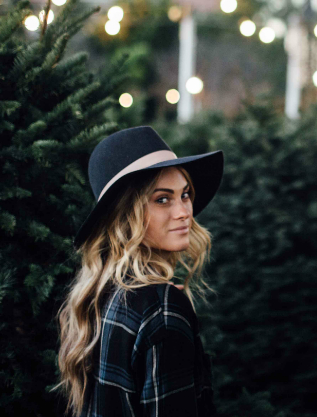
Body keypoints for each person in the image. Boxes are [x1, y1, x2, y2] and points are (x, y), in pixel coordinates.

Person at [51, 126, 224, 417]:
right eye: (162, 199)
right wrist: (165, 309)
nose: (184, 212)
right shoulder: (160, 307)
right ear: (125, 214)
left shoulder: (103, 293)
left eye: (185, 194)